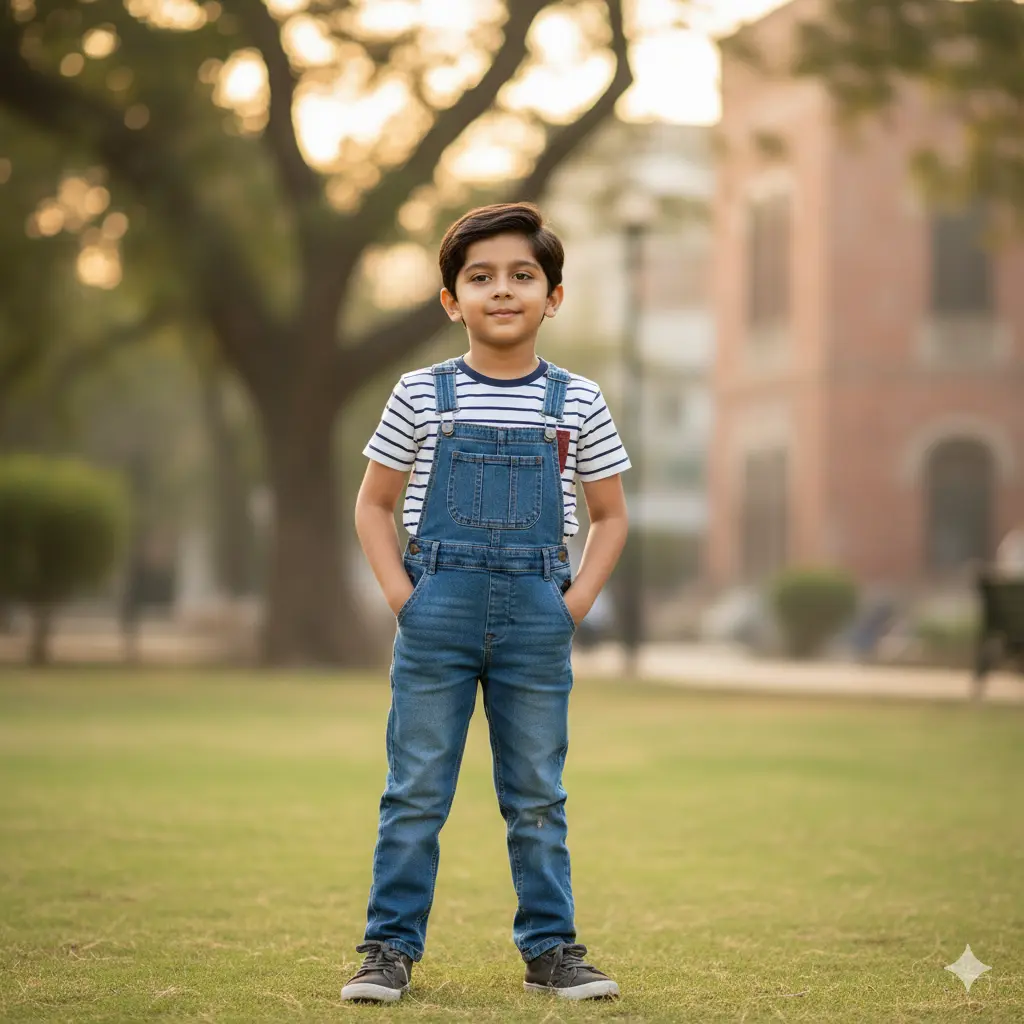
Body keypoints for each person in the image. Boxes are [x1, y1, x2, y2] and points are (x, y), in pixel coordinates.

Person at [345, 203, 630, 1003]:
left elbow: (610, 517)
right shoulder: (420, 393)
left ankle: (552, 948)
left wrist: (570, 606)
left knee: (537, 789)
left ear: (554, 296)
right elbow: (373, 504)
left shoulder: (577, 402)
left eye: (521, 276)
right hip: (437, 607)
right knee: (416, 788)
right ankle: (388, 949)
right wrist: (405, 597)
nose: (501, 291)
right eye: (480, 277)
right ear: (451, 299)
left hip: (539, 614)